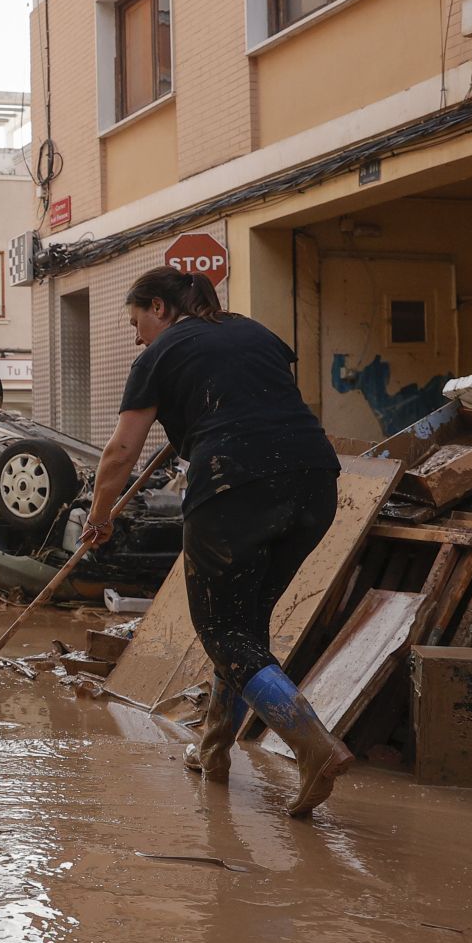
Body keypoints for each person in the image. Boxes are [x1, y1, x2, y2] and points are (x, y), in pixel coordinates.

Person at [81, 267, 348, 818]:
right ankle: (215, 750)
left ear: (158, 307)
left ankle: (312, 745)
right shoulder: (255, 332)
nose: (136, 337)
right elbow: (257, 400)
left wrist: (99, 515)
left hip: (234, 484)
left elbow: (120, 453)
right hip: (315, 483)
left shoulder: (158, 354)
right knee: (244, 625)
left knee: (221, 628)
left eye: (137, 322)